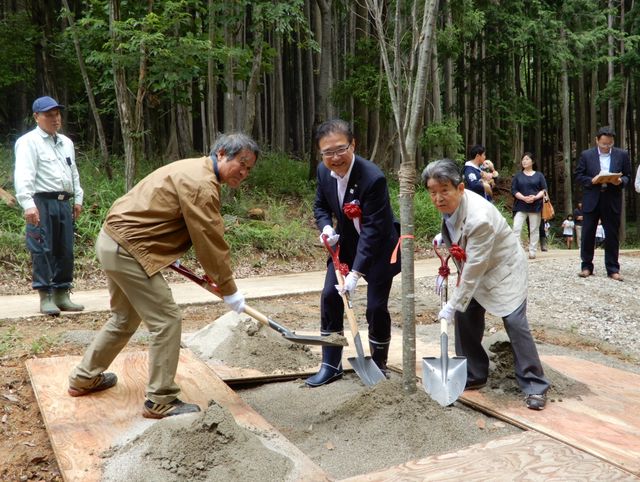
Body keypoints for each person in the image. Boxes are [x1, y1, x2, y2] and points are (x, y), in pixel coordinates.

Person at [68, 133, 259, 418]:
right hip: (128, 249)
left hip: (112, 241)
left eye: (249, 169)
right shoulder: (202, 184)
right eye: (241, 163)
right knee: (167, 319)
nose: (243, 172)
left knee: (125, 317)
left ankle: (84, 377)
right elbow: (210, 240)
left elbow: (159, 210)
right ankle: (160, 399)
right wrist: (229, 288)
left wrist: (166, 247)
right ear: (221, 154)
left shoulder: (192, 169)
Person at [422, 158, 550, 410]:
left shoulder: (479, 217)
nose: (438, 198)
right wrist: (445, 236)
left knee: (514, 321)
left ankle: (535, 383)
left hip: (504, 270)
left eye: (444, 191)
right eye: (432, 192)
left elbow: (474, 268)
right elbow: (458, 236)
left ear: (460, 188)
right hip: (479, 268)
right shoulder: (453, 206)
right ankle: (473, 372)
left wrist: (453, 302)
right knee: (466, 315)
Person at [307, 119, 401, 387]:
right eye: (327, 152)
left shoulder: (373, 178)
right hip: (345, 244)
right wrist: (326, 227)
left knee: (375, 307)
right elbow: (320, 206)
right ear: (320, 153)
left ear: (353, 145)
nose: (335, 158)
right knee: (329, 296)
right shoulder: (324, 173)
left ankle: (379, 363)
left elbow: (372, 230)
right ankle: (330, 364)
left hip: (380, 247)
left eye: (340, 149)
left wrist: (356, 274)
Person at [14, 96, 85, 316]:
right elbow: (24, 174)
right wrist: (28, 204)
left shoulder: (66, 142)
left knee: (64, 249)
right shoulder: (29, 142)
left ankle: (62, 293)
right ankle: (45, 295)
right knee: (42, 248)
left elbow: (72, 172)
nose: (55, 119)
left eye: (57, 114)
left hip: (64, 202)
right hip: (41, 202)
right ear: (37, 117)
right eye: (49, 115)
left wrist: (78, 198)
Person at [575, 126, 632, 281]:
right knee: (588, 233)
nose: (606, 147)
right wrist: (591, 180)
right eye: (604, 144)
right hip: (592, 197)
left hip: (612, 198)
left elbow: (628, 175)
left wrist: (620, 180)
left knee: (612, 234)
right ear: (597, 141)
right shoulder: (586, 155)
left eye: (609, 144)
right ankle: (586, 266)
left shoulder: (622, 155)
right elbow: (578, 175)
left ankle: (613, 268)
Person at [511, 152, 548, 259]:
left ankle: (532, 251)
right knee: (516, 228)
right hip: (520, 205)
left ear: (533, 161)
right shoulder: (518, 175)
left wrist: (535, 197)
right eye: (523, 159)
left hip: (535, 206)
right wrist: (523, 198)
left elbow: (544, 189)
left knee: (534, 229)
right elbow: (513, 190)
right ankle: (518, 250)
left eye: (527, 159)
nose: (524, 161)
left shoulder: (539, 175)